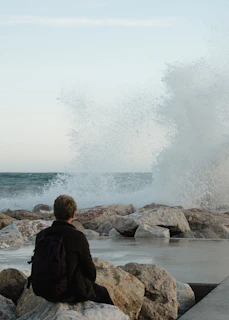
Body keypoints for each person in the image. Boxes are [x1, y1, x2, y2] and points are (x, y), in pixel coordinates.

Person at [35, 194, 114, 304]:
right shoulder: (77, 236)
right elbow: (90, 272)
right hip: (69, 293)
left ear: (55, 213)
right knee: (103, 292)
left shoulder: (41, 235)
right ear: (73, 214)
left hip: (45, 291)